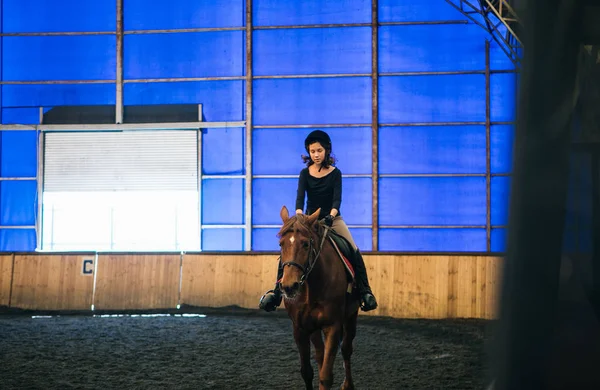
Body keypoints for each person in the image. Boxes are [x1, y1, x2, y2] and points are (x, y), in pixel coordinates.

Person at [258, 130, 378, 312]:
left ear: (326, 151)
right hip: (309, 221)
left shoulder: (335, 173)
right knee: (290, 250)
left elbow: (337, 199)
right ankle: (276, 293)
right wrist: (299, 215)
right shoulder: (304, 173)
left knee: (353, 249)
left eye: (319, 151)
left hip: (333, 218)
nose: (316, 155)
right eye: (312, 151)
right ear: (309, 152)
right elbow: (300, 198)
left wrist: (331, 215)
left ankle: (365, 292)